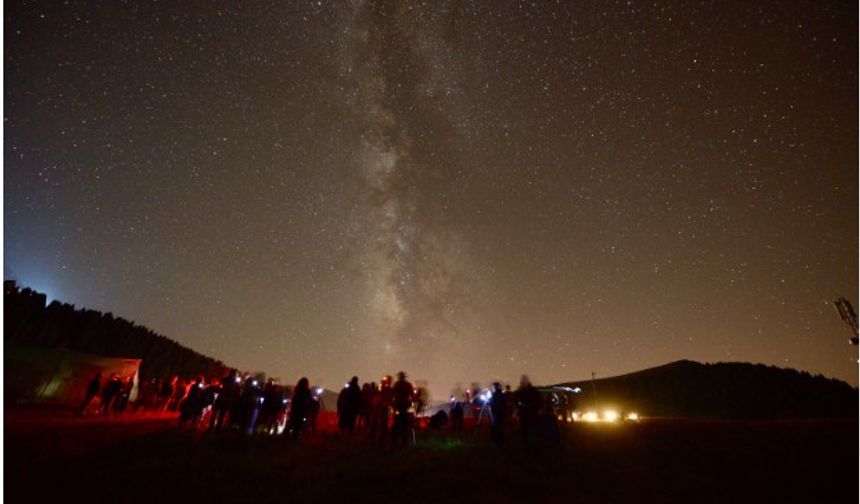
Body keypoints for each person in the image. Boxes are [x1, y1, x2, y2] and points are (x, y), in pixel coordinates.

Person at [515, 375, 542, 449]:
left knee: (528, 431)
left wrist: (523, 405)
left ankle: (530, 447)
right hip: (528, 414)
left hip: (529, 413)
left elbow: (538, 401)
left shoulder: (528, 391)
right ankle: (529, 447)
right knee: (527, 431)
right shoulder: (533, 391)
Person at [391, 371, 414, 446]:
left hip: (398, 405)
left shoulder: (396, 384)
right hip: (405, 406)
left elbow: (392, 394)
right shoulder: (408, 385)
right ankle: (404, 441)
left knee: (396, 423)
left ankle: (395, 441)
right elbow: (412, 394)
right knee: (405, 424)